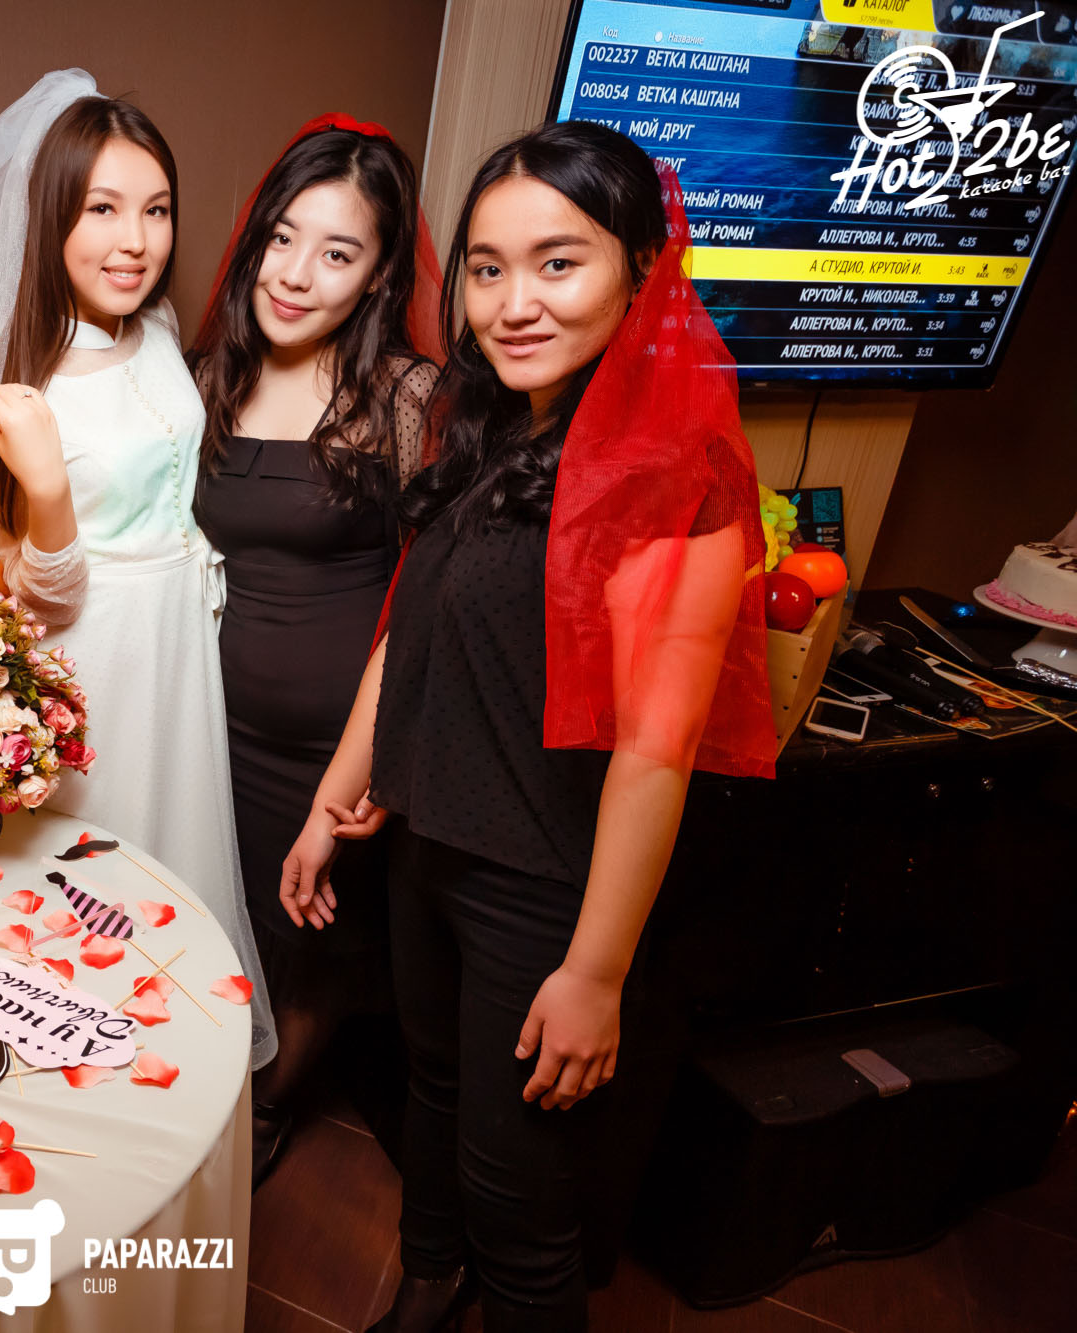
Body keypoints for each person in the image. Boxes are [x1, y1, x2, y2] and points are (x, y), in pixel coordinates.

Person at [283, 120, 776, 1331]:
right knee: (431, 1095)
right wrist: (335, 794)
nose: (513, 302)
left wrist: (594, 972)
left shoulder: (675, 474)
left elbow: (657, 751)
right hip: (424, 846)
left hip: (536, 887)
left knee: (520, 1199)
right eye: (487, 268)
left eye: (557, 263)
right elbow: (409, 631)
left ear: (638, 270)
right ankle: (425, 1286)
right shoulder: (490, 425)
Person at [0, 70, 275, 1069]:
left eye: (155, 209)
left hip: (178, 648)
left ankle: (178, 1080)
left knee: (180, 870)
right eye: (102, 209)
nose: (134, 239)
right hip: (95, 664)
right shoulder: (23, 384)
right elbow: (41, 596)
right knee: (94, 897)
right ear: (52, 218)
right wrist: (49, 486)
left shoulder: (154, 331)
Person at [188, 115, 441, 1182]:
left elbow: (430, 599)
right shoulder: (205, 377)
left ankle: (263, 1114)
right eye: (282, 238)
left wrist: (371, 766)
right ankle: (202, 1105)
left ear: (379, 273)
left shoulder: (407, 398)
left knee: (314, 947)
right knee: (217, 927)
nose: (294, 275)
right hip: (209, 730)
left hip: (338, 749)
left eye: (336, 252)